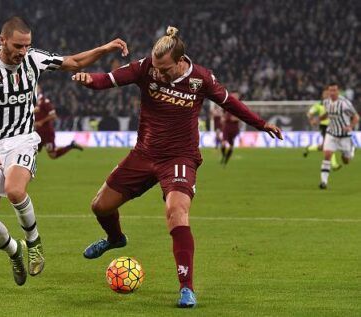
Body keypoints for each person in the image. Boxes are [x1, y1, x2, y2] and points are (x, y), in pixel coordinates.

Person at [72, 26, 282, 308]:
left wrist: (261, 123)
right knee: (100, 206)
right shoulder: (146, 67)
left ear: (181, 61)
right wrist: (89, 80)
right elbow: (108, 79)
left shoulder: (201, 79)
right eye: (155, 67)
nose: (157, 73)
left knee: (176, 212)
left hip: (180, 158)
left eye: (164, 69)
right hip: (144, 154)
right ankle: (115, 238)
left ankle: (186, 288)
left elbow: (229, 102)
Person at [0, 16, 128, 286]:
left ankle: (34, 243)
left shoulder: (33, 59)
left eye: (27, 46)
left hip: (22, 139)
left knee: (16, 190)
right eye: (17, 46)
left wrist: (104, 49)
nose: (23, 52)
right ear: (2, 41)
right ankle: (15, 252)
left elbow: (73, 62)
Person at [318, 83, 359, 189]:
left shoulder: (344, 103)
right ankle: (323, 182)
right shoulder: (326, 102)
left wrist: (350, 126)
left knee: (346, 161)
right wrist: (318, 119)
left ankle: (351, 149)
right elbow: (327, 113)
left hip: (344, 135)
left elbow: (356, 117)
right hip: (331, 133)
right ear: (328, 91)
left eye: (334, 90)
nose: (332, 93)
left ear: (338, 91)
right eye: (330, 90)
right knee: (327, 155)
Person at [34, 93, 83, 158]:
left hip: (46, 133)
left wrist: (41, 122)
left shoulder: (45, 101)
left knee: (53, 155)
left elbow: (53, 115)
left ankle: (71, 146)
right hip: (37, 132)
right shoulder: (33, 101)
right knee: (31, 152)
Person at [303, 88, 340, 170]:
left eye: (328, 94)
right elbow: (309, 113)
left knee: (324, 146)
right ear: (322, 95)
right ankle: (334, 165)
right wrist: (312, 120)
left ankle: (309, 148)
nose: (327, 95)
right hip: (324, 126)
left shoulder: (333, 104)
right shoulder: (318, 105)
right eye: (325, 94)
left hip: (334, 126)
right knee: (330, 145)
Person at [220, 92, 241, 166]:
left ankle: (226, 160)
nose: (234, 97)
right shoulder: (227, 104)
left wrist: (235, 118)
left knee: (231, 145)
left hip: (234, 128)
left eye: (236, 96)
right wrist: (223, 118)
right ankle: (223, 156)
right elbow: (223, 114)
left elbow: (240, 117)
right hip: (226, 127)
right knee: (223, 143)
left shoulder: (240, 106)